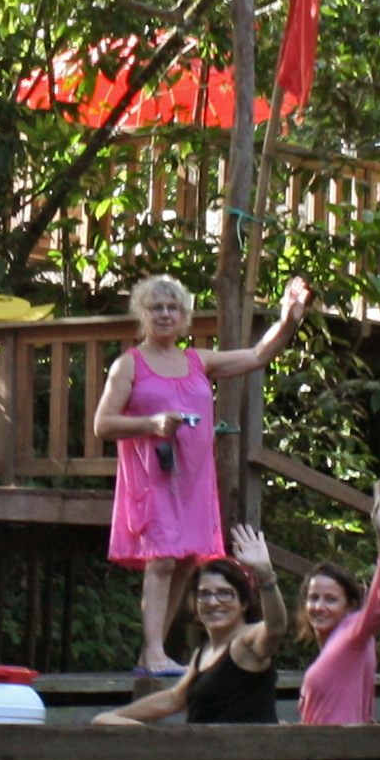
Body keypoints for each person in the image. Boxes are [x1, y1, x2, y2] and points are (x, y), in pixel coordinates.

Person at [94, 272, 315, 676]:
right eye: (156, 307)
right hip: (154, 475)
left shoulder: (199, 360)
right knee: (160, 561)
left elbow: (257, 356)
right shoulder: (129, 365)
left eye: (172, 307)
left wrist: (288, 319)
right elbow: (102, 425)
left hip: (194, 478)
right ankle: (155, 651)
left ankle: (152, 655)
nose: (164, 314)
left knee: (183, 562)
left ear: (184, 316)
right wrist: (151, 423)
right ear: (142, 314)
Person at [95, 522, 289, 726]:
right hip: (202, 749)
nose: (213, 602)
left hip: (243, 752)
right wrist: (117, 716)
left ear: (244, 603)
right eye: (204, 594)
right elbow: (174, 698)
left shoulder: (247, 641)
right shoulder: (204, 652)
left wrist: (265, 577)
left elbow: (275, 628)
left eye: (224, 593)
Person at [295, 479, 380, 727]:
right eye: (314, 598)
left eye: (331, 599)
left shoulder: (353, 635)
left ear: (349, 606)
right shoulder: (333, 645)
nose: (319, 606)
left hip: (341, 755)